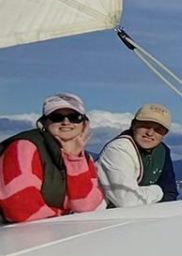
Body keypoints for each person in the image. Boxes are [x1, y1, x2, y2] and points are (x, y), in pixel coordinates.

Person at [0, 93, 105, 224]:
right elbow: (20, 208)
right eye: (57, 117)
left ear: (84, 124)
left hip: (53, 230)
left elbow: (85, 205)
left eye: (74, 117)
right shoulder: (24, 147)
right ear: (44, 122)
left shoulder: (82, 156)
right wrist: (63, 216)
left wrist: (74, 160)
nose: (66, 122)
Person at [97, 103, 179, 208]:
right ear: (133, 125)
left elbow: (170, 193)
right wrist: (158, 190)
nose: (150, 133)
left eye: (158, 129)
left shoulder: (162, 151)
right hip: (100, 217)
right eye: (145, 125)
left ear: (164, 134)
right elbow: (126, 200)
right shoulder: (118, 149)